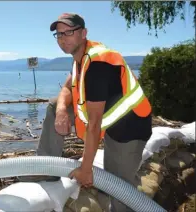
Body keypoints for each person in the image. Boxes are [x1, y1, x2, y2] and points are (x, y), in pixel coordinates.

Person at [18, 12, 153, 212]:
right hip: (109, 120)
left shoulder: (98, 63)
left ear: (83, 33)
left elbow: (94, 123)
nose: (63, 38)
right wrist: (62, 110)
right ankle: (45, 170)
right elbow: (66, 88)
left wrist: (85, 169)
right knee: (56, 105)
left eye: (68, 32)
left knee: (119, 189)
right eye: (59, 34)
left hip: (129, 130)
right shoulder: (80, 57)